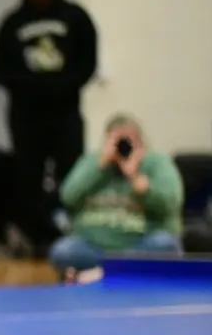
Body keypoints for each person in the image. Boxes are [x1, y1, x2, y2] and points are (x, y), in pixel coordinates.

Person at [0, 0, 98, 258]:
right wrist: (30, 86)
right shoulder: (13, 22)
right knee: (28, 177)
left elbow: (88, 62)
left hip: (65, 113)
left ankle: (67, 234)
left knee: (70, 175)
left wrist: (62, 85)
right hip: (26, 116)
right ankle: (32, 238)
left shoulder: (75, 17)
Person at [50, 114, 183, 282]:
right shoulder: (92, 161)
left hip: (141, 242)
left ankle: (101, 272)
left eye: (128, 141)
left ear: (140, 141)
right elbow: (68, 196)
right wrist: (99, 166)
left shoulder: (157, 163)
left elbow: (170, 204)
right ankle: (123, 270)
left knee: (166, 245)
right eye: (117, 141)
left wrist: (136, 179)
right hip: (93, 245)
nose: (122, 147)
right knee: (62, 251)